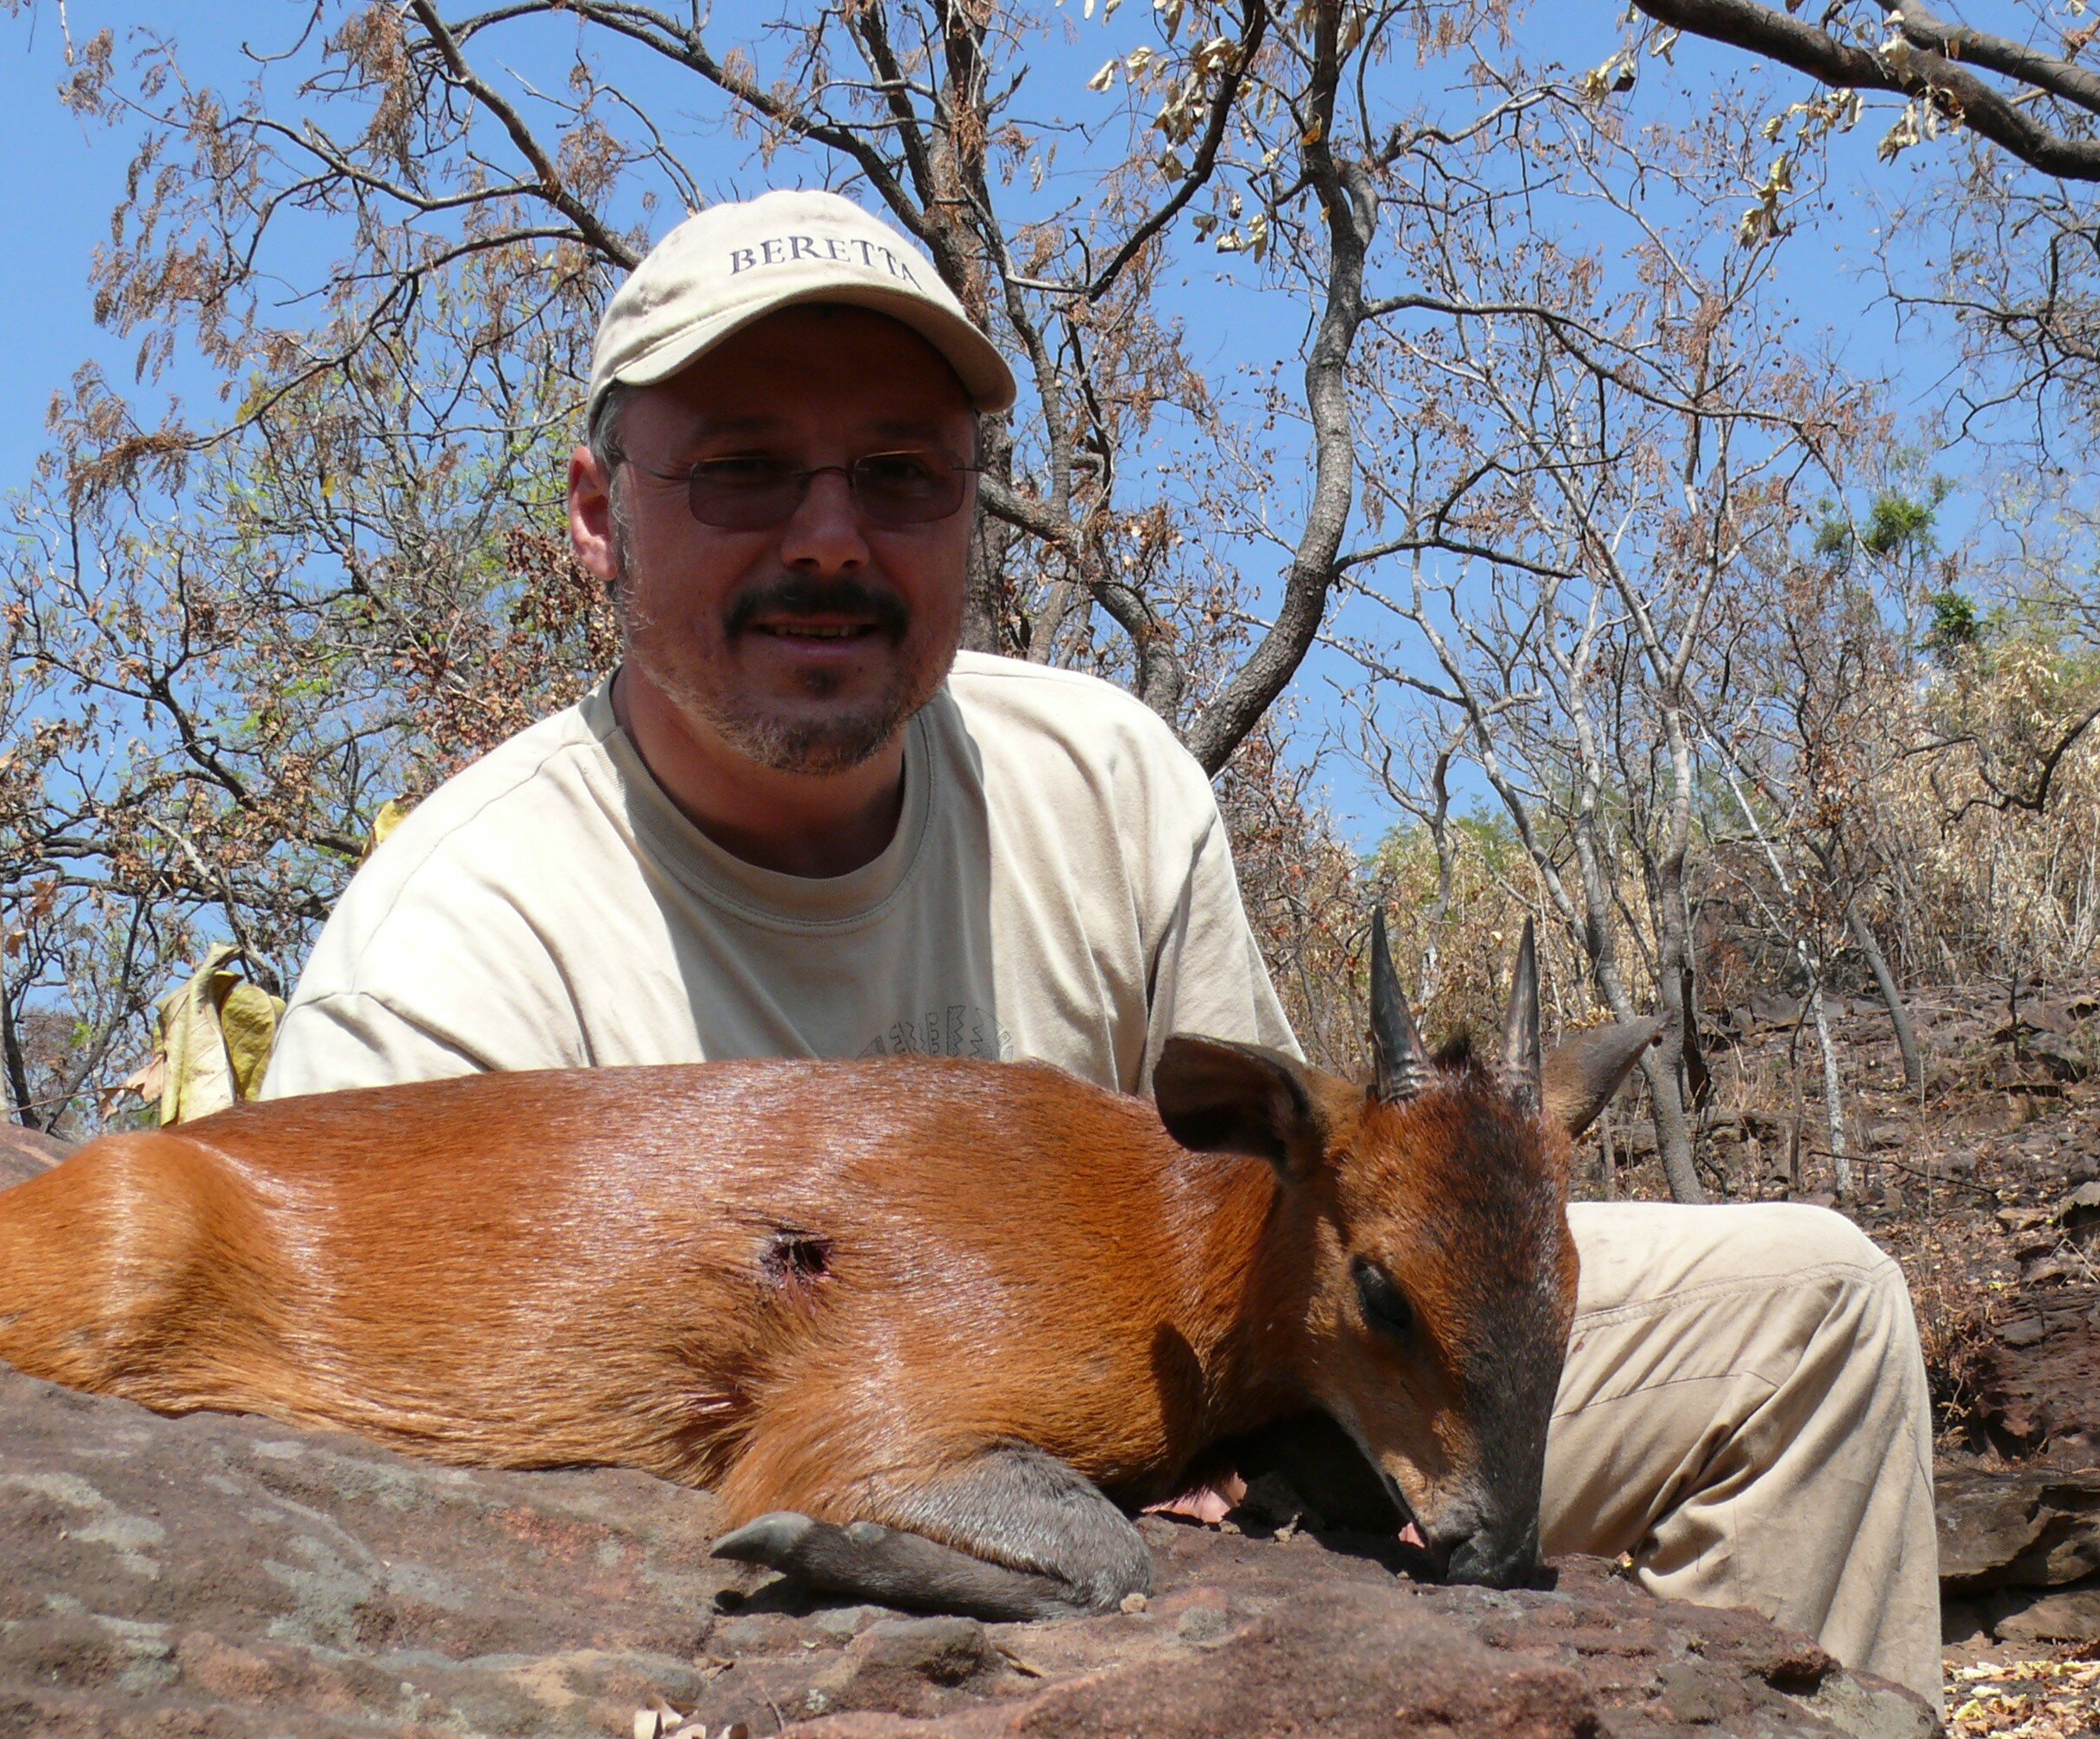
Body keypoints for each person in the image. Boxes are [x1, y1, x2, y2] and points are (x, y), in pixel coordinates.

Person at [260, 188, 1941, 1704]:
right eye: (744, 469)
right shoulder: (454, 946)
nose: (830, 537)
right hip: (808, 1501)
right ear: (597, 517)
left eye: (901, 474)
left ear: (970, 512)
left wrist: (1227, 1444)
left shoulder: (1104, 776)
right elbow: (378, 1481)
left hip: (1205, 1420)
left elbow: (1296, 1243)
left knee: (1811, 1311)